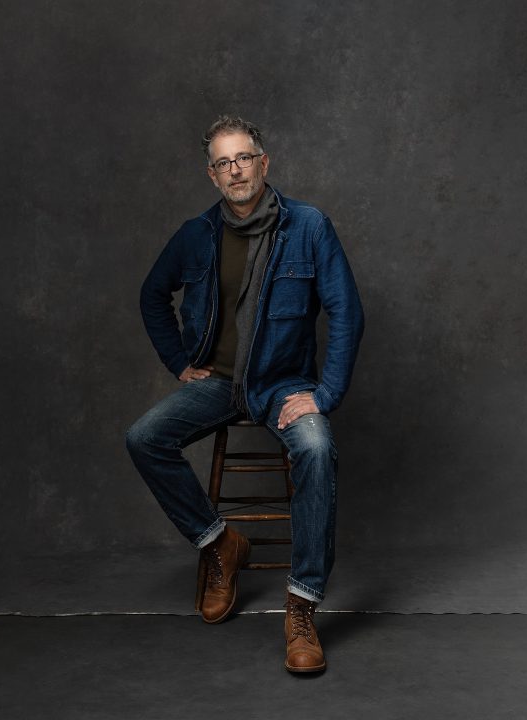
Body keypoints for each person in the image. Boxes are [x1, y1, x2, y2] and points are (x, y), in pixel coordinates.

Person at [126, 115, 364, 673]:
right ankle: (218, 544)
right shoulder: (196, 234)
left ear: (264, 162)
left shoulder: (308, 226)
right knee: (144, 438)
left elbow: (347, 311)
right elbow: (152, 296)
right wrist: (182, 364)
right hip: (220, 386)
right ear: (212, 175)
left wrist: (325, 392)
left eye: (244, 157)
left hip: (283, 385)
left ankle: (301, 608)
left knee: (316, 448)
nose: (235, 170)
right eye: (223, 162)